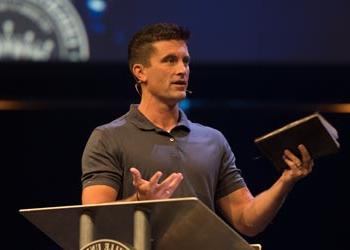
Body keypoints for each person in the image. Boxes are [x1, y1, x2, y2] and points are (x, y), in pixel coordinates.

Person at [81, 23, 313, 236]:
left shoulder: (212, 140)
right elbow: (93, 220)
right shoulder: (108, 137)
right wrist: (139, 201)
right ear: (140, 72)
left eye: (186, 61)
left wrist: (286, 180)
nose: (182, 70)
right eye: (170, 60)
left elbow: (247, 220)